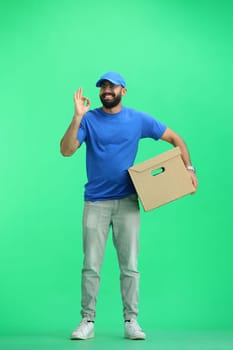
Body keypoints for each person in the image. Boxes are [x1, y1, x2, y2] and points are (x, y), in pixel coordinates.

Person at [60, 71, 198, 340]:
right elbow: (66, 150)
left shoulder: (138, 119)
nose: (106, 91)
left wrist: (188, 168)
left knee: (130, 266)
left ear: (124, 90)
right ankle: (87, 321)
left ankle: (131, 321)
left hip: (128, 202)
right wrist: (77, 117)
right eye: (103, 87)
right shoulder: (89, 119)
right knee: (91, 265)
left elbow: (175, 139)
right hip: (95, 202)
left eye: (112, 86)